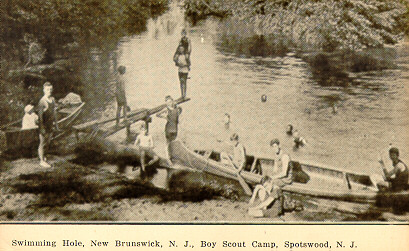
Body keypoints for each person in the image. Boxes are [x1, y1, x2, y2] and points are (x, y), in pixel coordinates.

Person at [38, 82, 59, 168]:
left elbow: (54, 113)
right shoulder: (42, 101)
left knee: (48, 142)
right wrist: (42, 127)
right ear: (44, 90)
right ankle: (41, 161)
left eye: (51, 89)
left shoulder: (53, 99)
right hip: (44, 125)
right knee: (42, 143)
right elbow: (40, 117)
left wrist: (56, 124)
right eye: (47, 89)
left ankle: (44, 157)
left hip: (50, 124)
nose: (49, 91)